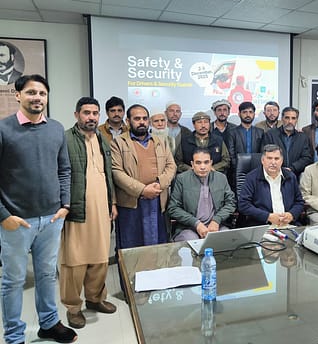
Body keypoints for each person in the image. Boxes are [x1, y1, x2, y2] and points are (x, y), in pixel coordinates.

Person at [0, 74, 77, 344]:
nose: (37, 98)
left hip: (52, 219)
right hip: (16, 221)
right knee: (13, 281)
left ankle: (49, 323)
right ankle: (14, 336)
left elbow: (64, 169)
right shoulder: (3, 129)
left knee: (46, 274)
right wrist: (4, 216)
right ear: (18, 95)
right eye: (31, 92)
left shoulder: (55, 128)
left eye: (42, 93)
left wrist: (65, 205)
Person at [61, 97, 118, 329]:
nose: (91, 117)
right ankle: (73, 308)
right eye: (86, 113)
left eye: (95, 113)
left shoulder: (103, 139)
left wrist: (112, 202)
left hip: (102, 208)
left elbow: (107, 174)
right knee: (74, 261)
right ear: (77, 115)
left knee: (100, 258)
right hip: (76, 208)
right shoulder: (65, 139)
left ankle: (95, 299)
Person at [111, 104, 176, 251]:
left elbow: (171, 166)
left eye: (145, 118)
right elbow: (116, 172)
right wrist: (142, 190)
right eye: (137, 119)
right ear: (128, 121)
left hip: (157, 200)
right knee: (131, 248)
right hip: (131, 202)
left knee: (158, 246)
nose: (142, 122)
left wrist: (159, 184)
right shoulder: (118, 143)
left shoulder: (160, 141)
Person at [168, 148, 236, 241]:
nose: (203, 167)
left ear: (211, 163)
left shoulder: (221, 178)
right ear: (192, 164)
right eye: (198, 163)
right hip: (189, 227)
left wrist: (217, 220)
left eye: (206, 162)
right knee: (193, 240)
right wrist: (196, 223)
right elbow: (173, 208)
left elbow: (231, 203)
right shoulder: (182, 179)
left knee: (227, 239)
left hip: (216, 226)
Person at [238, 144, 305, 226]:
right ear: (262, 160)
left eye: (276, 159)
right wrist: (267, 217)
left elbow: (299, 202)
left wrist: (292, 214)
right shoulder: (251, 178)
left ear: (281, 161)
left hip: (288, 224)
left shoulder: (290, 176)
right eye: (269, 158)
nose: (273, 162)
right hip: (262, 225)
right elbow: (243, 205)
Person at [262, 106, 313, 178]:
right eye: (287, 118)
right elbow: (265, 155)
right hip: (273, 175)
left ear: (297, 120)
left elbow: (306, 158)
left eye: (293, 118)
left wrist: (292, 168)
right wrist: (280, 169)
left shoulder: (303, 137)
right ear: (282, 119)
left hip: (295, 176)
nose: (290, 121)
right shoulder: (270, 135)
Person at [226, 101, 264, 181]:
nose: (248, 115)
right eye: (244, 112)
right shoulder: (232, 132)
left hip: (257, 170)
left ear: (254, 114)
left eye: (250, 112)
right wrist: (238, 167)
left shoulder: (260, 132)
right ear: (239, 114)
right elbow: (231, 154)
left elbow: (262, 152)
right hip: (237, 170)